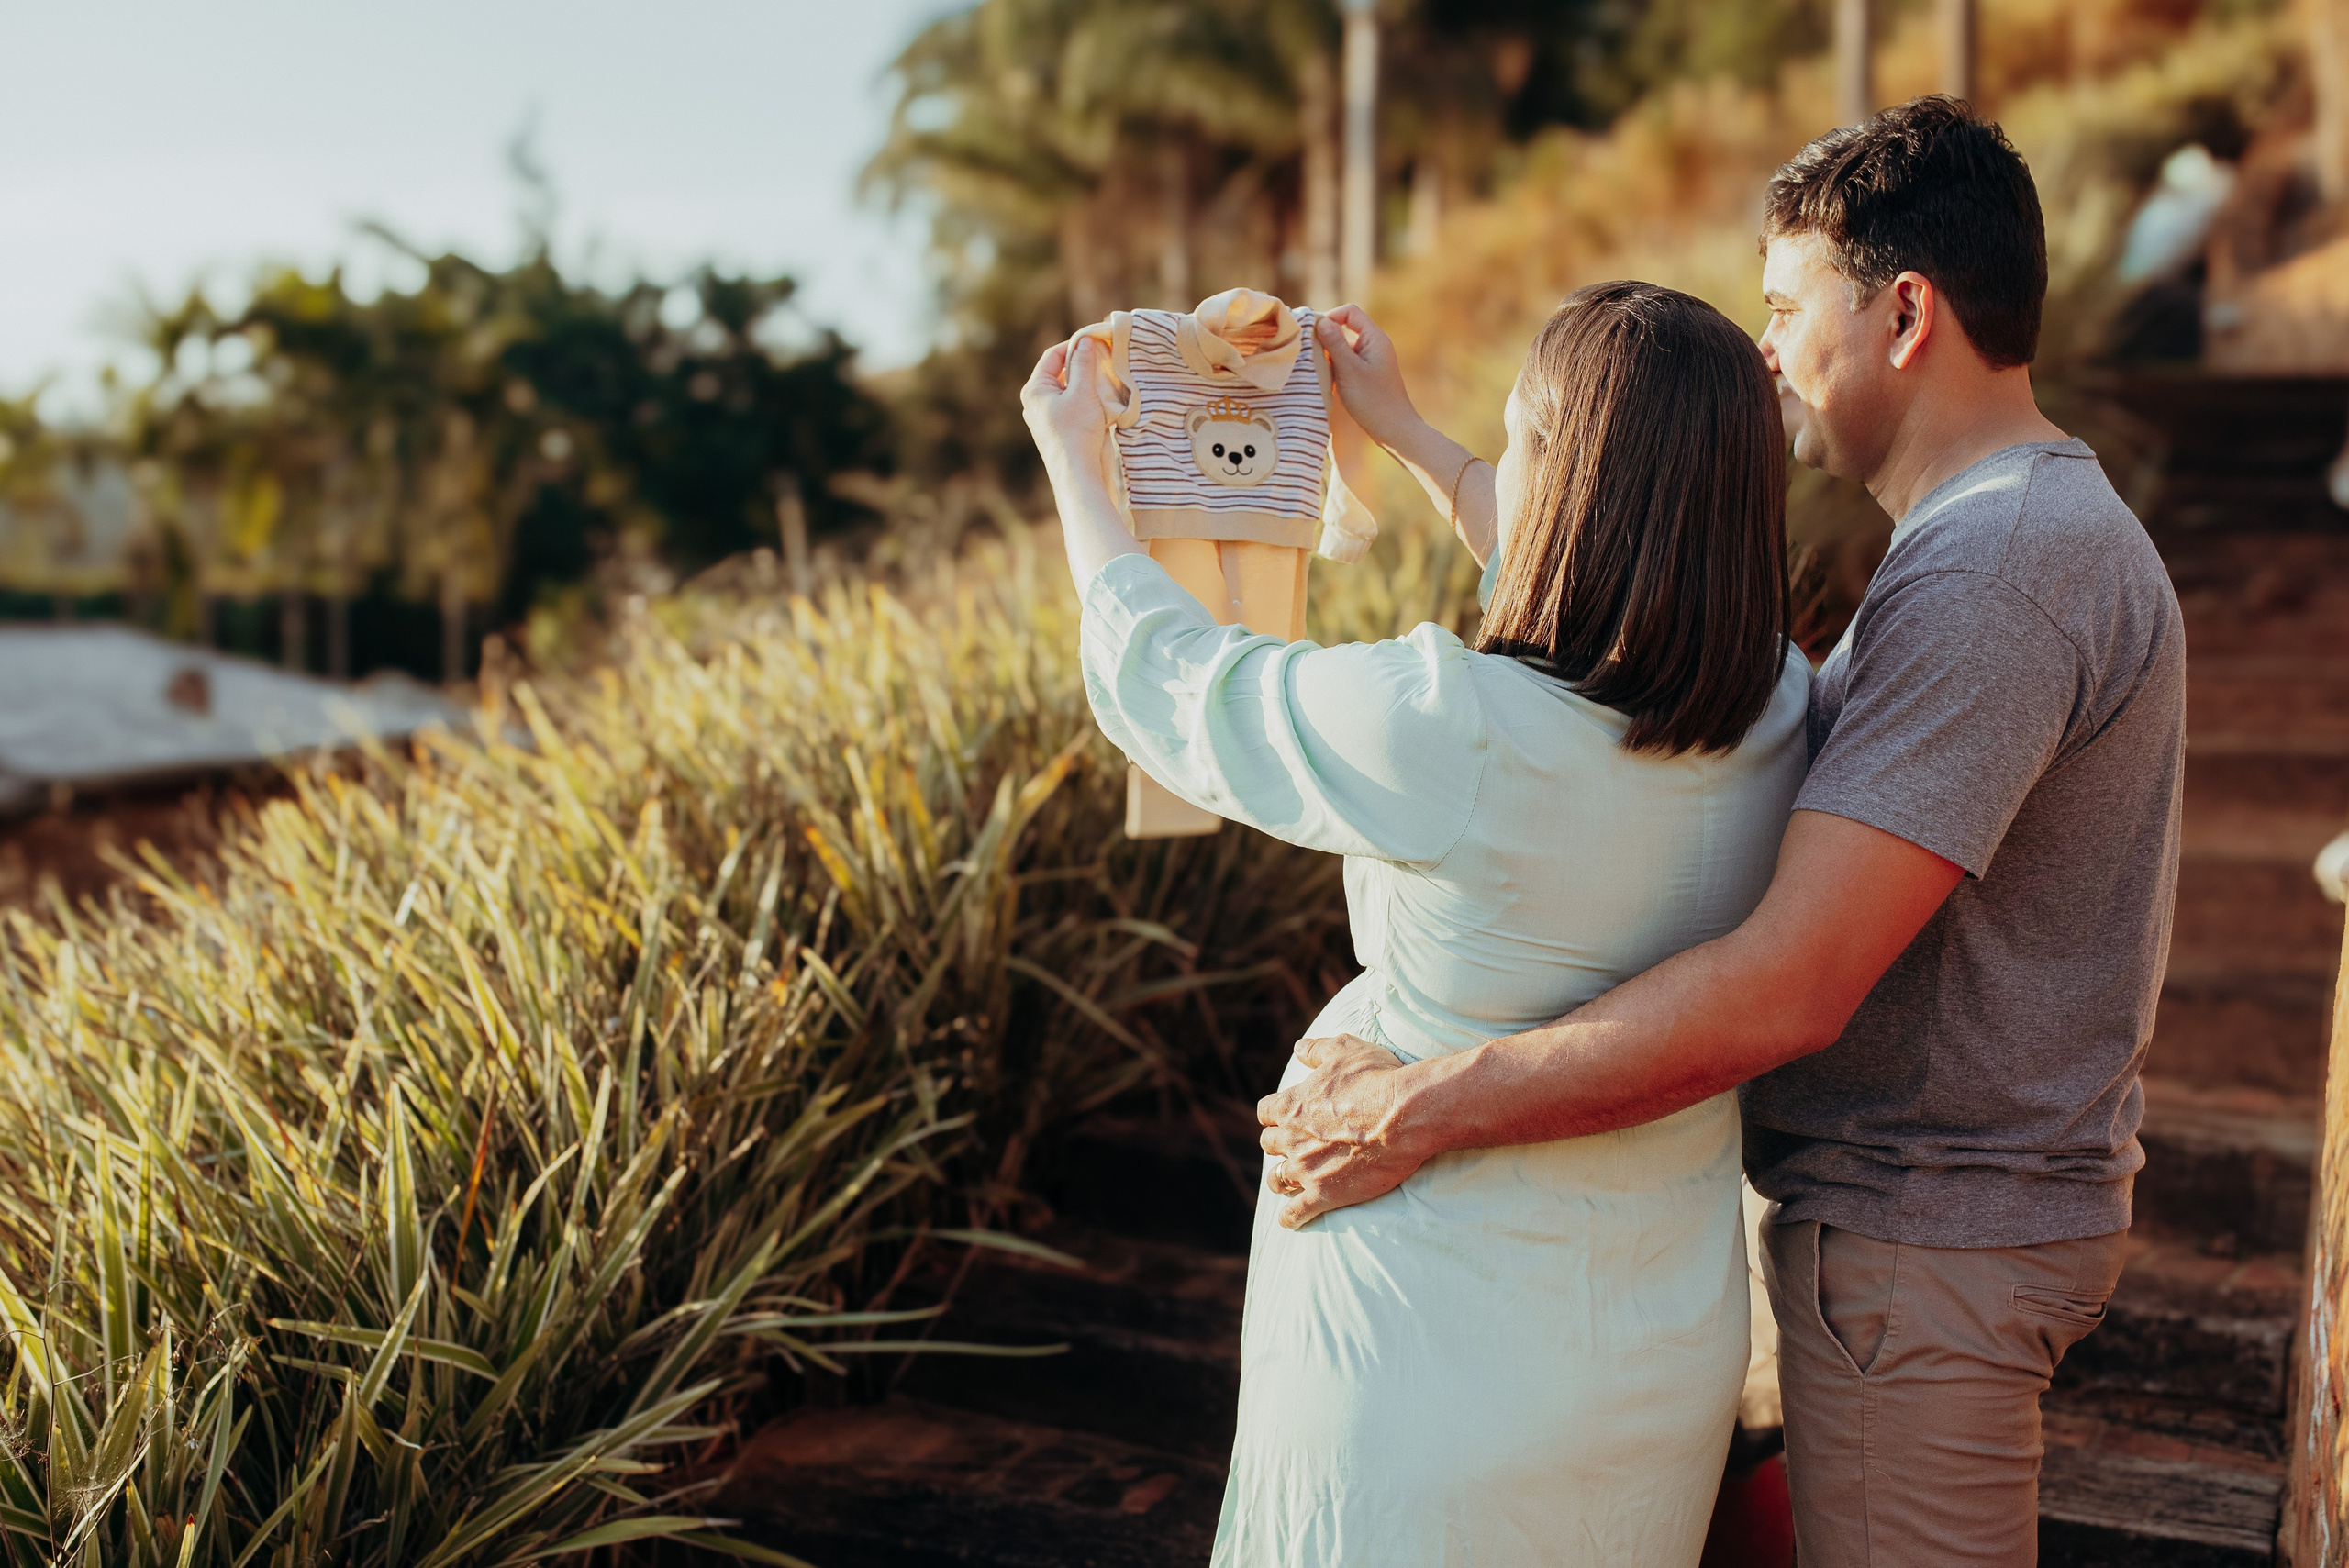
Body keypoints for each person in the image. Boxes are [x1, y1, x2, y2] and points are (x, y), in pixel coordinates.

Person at [1259, 96, 2187, 1566]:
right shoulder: (1996, 536)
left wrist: (1417, 1106)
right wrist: (1424, 440)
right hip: (1918, 1234)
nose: (1760, 350)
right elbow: (1638, 602)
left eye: (1780, 306)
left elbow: (1789, 981)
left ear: (1903, 313)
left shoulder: (1994, 574)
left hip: (1921, 1245)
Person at [1022, 280, 1809, 1563]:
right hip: (1659, 1338)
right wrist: (1405, 431)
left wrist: (1075, 459)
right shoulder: (1783, 708)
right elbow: (1614, 581)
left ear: (1553, 469)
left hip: (1425, 1339)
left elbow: (1167, 678)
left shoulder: (1446, 726)